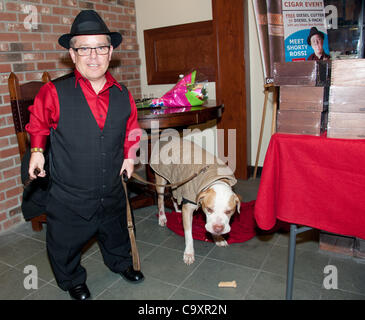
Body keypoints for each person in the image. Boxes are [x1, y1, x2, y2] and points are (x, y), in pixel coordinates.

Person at [25, 10, 144, 300]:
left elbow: (132, 129)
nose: (93, 56)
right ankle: (72, 279)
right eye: (84, 48)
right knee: (65, 241)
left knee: (115, 231)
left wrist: (130, 157)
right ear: (72, 53)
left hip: (111, 187)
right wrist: (37, 151)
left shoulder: (122, 92)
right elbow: (38, 122)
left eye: (100, 47)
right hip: (70, 193)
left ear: (110, 51)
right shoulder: (54, 91)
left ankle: (120, 263)